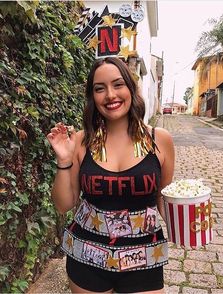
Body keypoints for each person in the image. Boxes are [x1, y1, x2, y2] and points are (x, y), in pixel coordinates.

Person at [47, 56, 174, 293]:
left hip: (143, 260)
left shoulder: (160, 139)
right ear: (92, 97)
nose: (110, 95)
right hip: (87, 257)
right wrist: (64, 161)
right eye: (99, 88)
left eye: (118, 84)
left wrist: (185, 223)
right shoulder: (80, 141)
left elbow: (162, 197)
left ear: (130, 88)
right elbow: (64, 204)